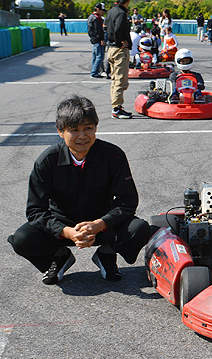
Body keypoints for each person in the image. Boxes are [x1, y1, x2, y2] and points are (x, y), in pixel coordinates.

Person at [7, 95, 151, 285]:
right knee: (21, 239)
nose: (82, 136)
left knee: (139, 229)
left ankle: (106, 254)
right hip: (62, 223)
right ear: (60, 131)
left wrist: (99, 224)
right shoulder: (47, 160)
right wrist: (66, 232)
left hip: (102, 222)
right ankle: (59, 257)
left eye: (88, 128)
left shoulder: (113, 155)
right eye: (74, 130)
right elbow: (35, 211)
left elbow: (127, 202)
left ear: (96, 128)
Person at [105, 0, 133, 119]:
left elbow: (107, 27)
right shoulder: (121, 13)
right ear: (127, 1)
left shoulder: (110, 11)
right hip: (119, 49)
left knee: (114, 79)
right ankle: (117, 108)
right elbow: (117, 29)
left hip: (110, 49)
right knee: (121, 80)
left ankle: (116, 106)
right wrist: (120, 43)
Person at [87, 2, 106, 79]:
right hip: (97, 40)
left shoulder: (91, 17)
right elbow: (97, 30)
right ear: (98, 9)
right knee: (100, 56)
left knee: (94, 57)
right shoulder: (95, 18)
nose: (103, 12)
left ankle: (93, 71)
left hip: (94, 40)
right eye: (102, 10)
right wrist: (101, 39)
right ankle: (94, 72)